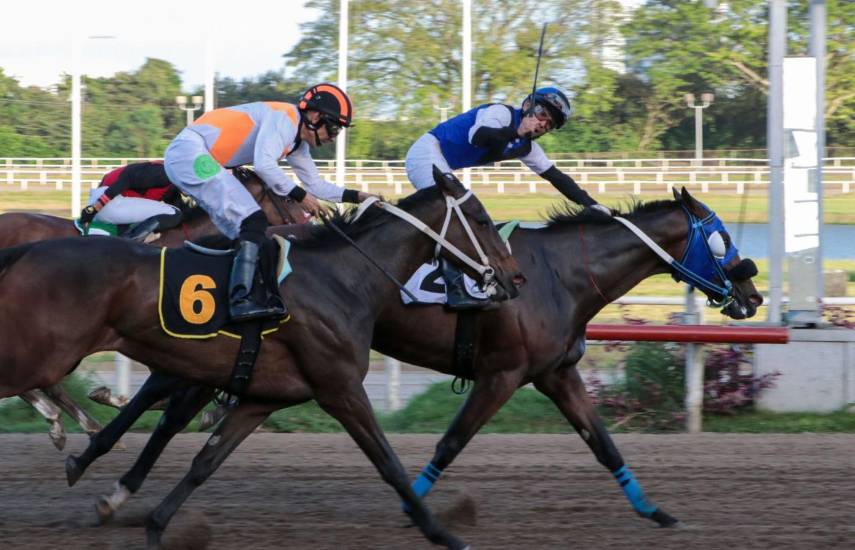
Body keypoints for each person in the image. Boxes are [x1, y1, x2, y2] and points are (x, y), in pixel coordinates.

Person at [163, 83, 374, 322]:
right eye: (334, 128)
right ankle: (240, 300)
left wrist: (358, 197)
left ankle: (227, 292)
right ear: (315, 117)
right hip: (189, 153)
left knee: (244, 233)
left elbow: (315, 185)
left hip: (195, 156)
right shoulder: (284, 118)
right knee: (252, 221)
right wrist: (300, 196)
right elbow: (264, 165)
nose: (334, 138)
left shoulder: (297, 143)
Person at [405, 86, 611, 308]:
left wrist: (592, 205)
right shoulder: (501, 113)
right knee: (460, 214)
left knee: (466, 216)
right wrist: (517, 131)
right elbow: (479, 137)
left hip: (440, 162)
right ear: (527, 105)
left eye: (549, 124)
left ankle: (443, 279)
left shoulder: (527, 148)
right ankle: (445, 285)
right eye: (542, 114)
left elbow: (557, 177)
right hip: (426, 152)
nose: (543, 124)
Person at [80, 161, 183, 242]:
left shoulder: (170, 182)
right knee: (174, 213)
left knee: (171, 214)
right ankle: (129, 243)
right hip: (106, 203)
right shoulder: (164, 173)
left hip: (107, 205)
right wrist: (94, 208)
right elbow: (127, 179)